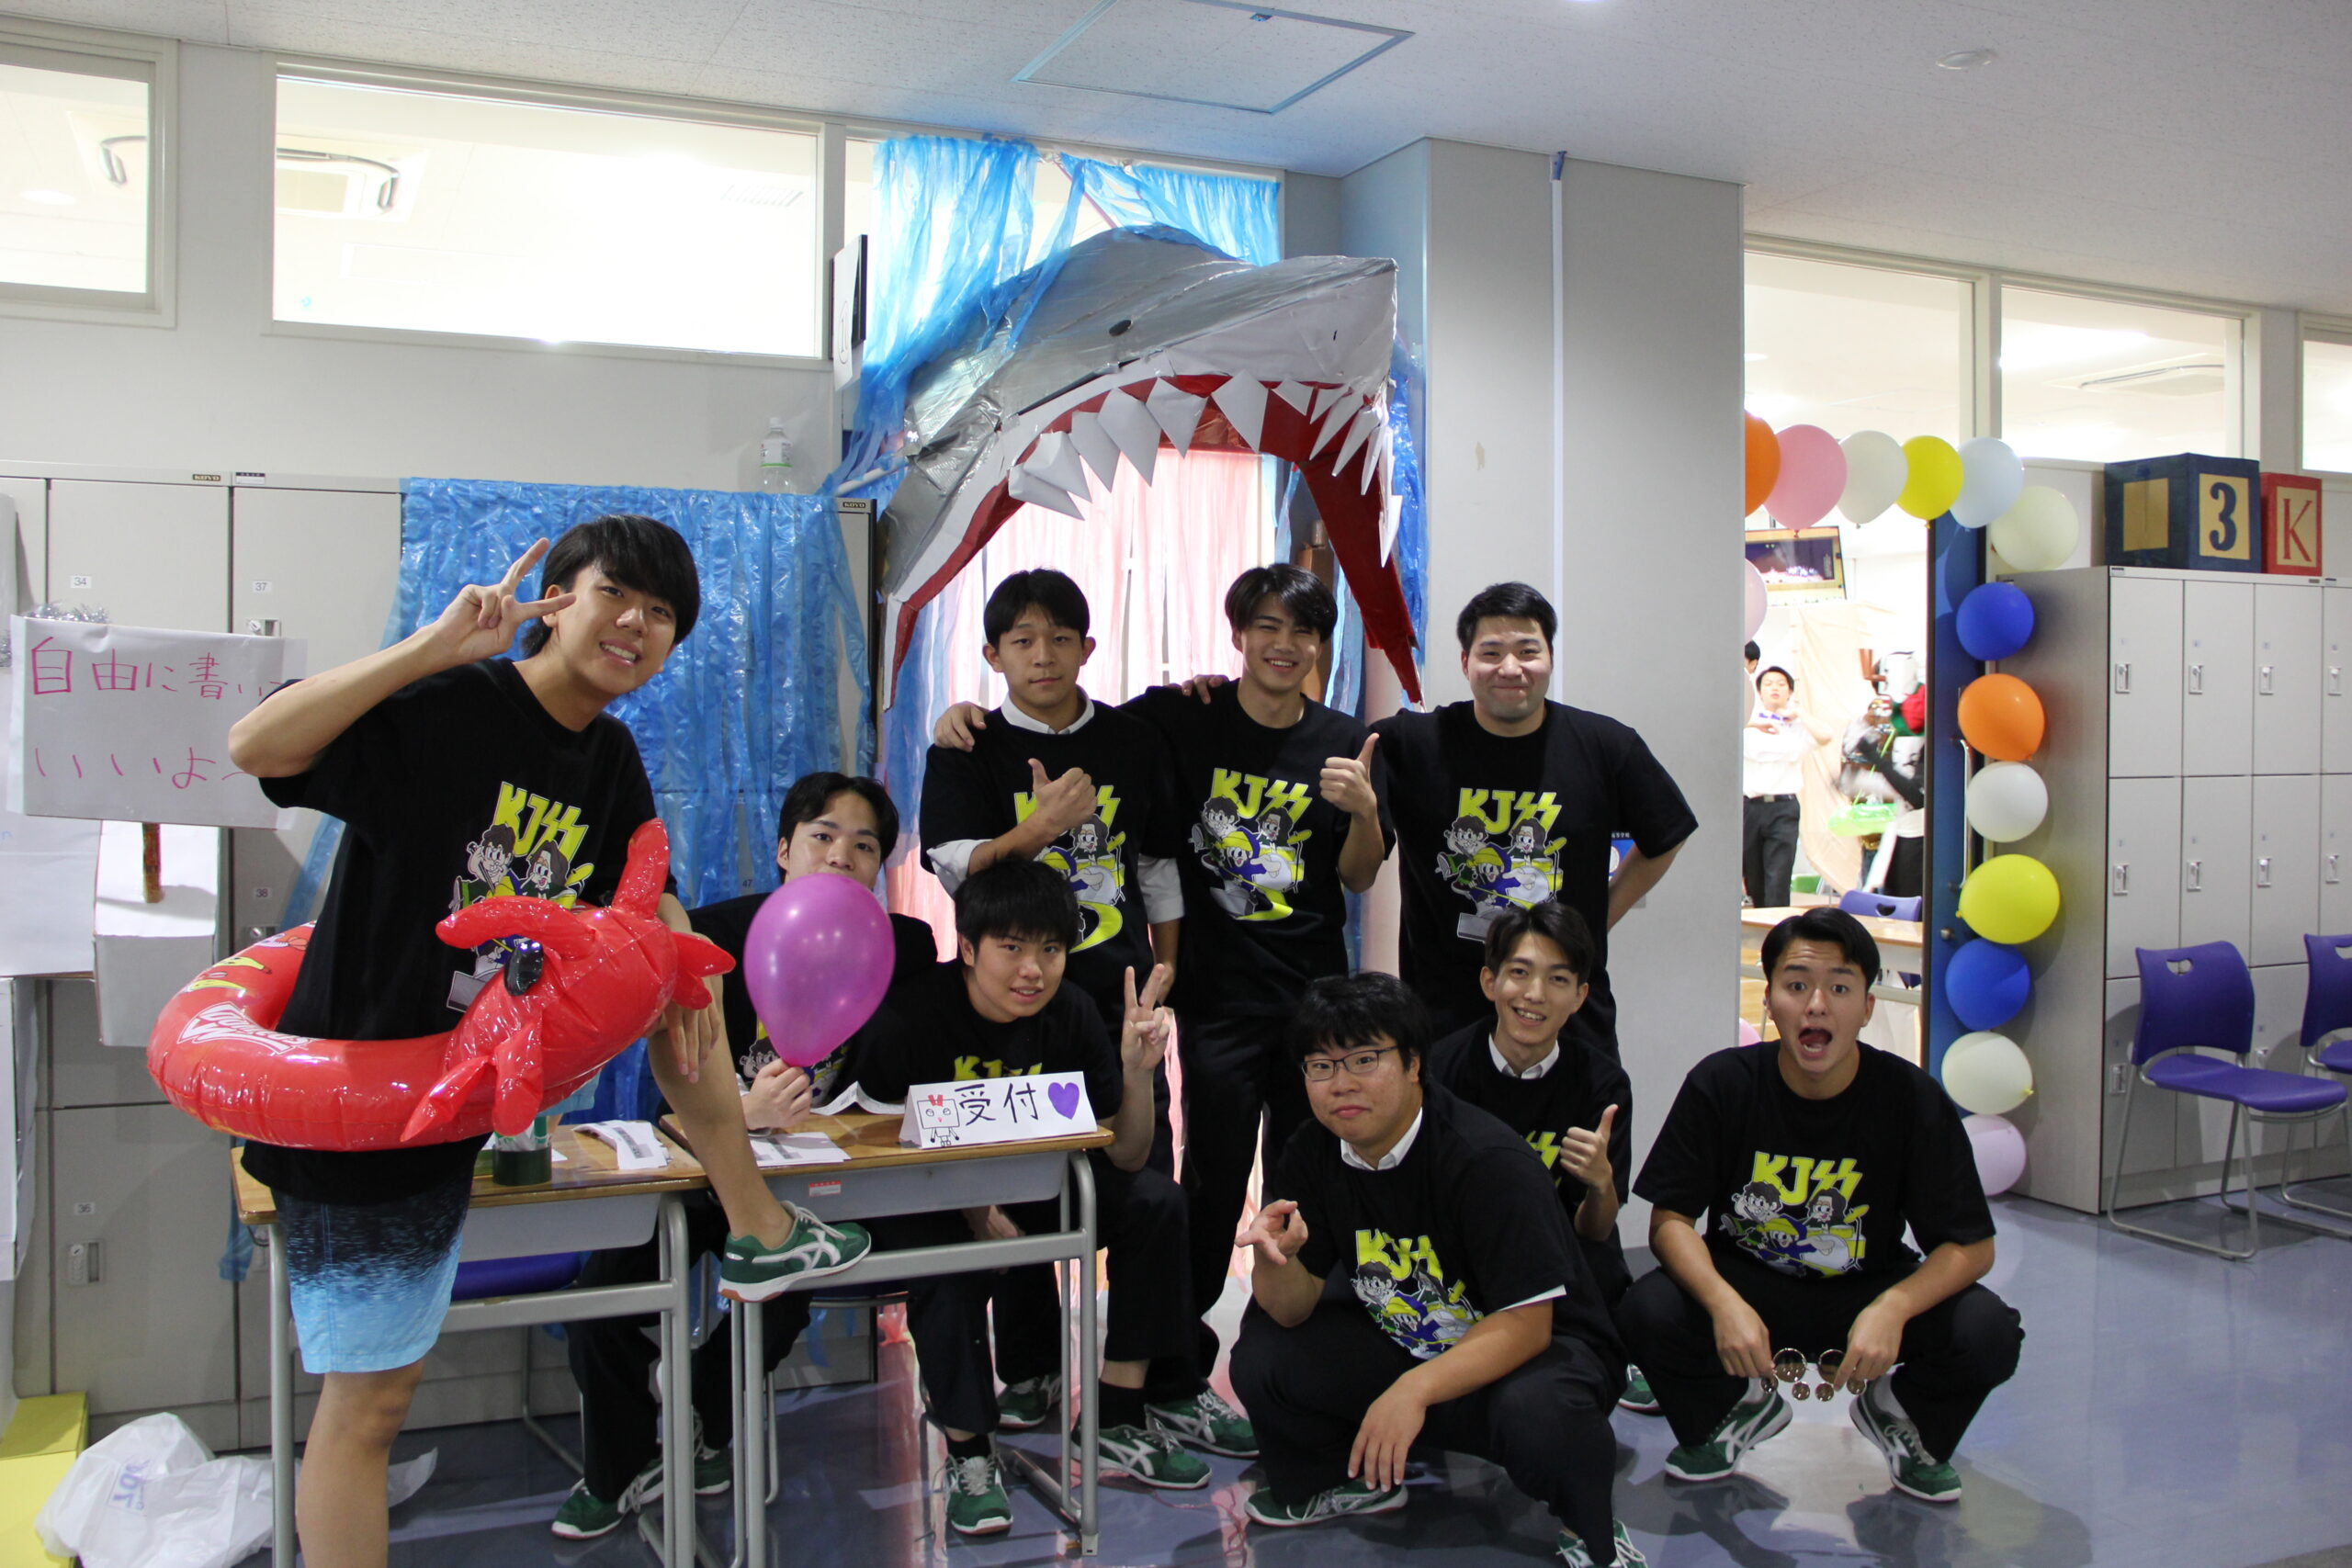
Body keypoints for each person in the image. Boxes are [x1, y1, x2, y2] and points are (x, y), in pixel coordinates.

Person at [224, 517, 868, 1568]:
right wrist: (431, 649)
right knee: (368, 1410)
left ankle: (756, 1224)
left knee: (680, 972)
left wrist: (684, 962)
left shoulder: (607, 757)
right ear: (556, 598)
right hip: (357, 1106)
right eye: (617, 594)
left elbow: (646, 884)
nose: (638, 625)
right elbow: (256, 748)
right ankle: (757, 1223)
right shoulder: (454, 706)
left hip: (456, 1103)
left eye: (662, 614)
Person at [934, 562, 1390, 1409]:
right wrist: (970, 732)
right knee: (1159, 1186)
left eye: (1301, 631)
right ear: (1238, 635)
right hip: (1119, 1002)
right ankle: (1103, 1365)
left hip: (1256, 1001)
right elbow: (961, 860)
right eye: (1265, 626)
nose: (1282, 644)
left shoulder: (1328, 739)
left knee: (1253, 1181)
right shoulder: (1165, 718)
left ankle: (1257, 1359)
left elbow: (1170, 864)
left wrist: (1163, 969)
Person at [553, 773, 937, 1539]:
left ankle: (704, 1423)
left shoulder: (906, 946)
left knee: (784, 1285)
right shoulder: (712, 938)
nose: (842, 856)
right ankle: (619, 1464)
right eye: (823, 836)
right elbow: (670, 1100)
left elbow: (908, 1086)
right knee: (603, 1296)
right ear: (785, 848)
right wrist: (742, 1113)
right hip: (710, 1167)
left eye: (864, 846)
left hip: (824, 1185)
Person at [847, 859, 1231, 1535]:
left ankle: (1116, 1414)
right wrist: (975, 1210)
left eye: (1051, 950)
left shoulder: (1072, 1011)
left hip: (1039, 1187)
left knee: (1155, 1202)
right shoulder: (911, 1016)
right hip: (934, 1197)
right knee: (947, 1262)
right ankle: (970, 1451)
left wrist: (1137, 1073)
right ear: (969, 948)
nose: (1033, 970)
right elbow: (877, 1149)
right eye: (1012, 948)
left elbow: (1126, 1154)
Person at [1230, 973, 1641, 1568]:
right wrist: (1277, 1260)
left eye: (1364, 1059)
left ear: (1414, 1063)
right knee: (1264, 1353)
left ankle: (1591, 1529)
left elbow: (1528, 1325)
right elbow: (1292, 1308)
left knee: (1541, 1415)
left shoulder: (1486, 1159)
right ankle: (1346, 1477)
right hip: (1410, 1338)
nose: (1341, 1083)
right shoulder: (1312, 1149)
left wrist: (1412, 1391)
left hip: (1530, 1350)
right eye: (1320, 1066)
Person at [1618, 908, 2023, 1504]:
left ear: (1867, 1006)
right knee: (1645, 1310)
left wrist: (1894, 1307)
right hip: (1746, 1282)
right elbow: (1670, 1220)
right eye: (1797, 984)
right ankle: (1734, 1409)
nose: (1816, 1005)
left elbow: (1971, 1246)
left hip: (1865, 1288)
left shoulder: (1909, 1097)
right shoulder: (1723, 1082)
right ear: (1769, 998)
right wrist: (1723, 1303)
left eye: (1839, 987)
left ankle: (1900, 1414)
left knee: (1987, 1332)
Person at [919, 569, 1185, 1156]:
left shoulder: (1136, 741)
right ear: (993, 656)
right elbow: (958, 870)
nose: (1043, 656)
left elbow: (1157, 870)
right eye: (1023, 641)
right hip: (1009, 1000)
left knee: (1139, 1173)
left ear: (1086, 649)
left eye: (1061, 638)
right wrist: (1042, 827)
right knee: (1015, 1175)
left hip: (1121, 994)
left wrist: (1164, 973)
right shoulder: (967, 747)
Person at [1374, 581, 1697, 1048]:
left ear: (1550, 658)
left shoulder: (1605, 746)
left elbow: (1667, 834)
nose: (1511, 668)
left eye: (1528, 651)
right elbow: (1323, 751)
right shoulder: (1412, 744)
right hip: (1446, 1015)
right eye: (1491, 653)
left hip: (1568, 1017)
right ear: (1465, 663)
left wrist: (1595, 920)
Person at [1425, 900, 1657, 1413]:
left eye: (1557, 979)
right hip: (1463, 1258)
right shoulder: (1439, 1072)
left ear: (1579, 996)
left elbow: (1595, 1230)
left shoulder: (1603, 1084)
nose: (1534, 994)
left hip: (1562, 1260)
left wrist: (1601, 1184)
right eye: (1519, 973)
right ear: (1490, 982)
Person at [1741, 665, 1831, 908]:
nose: (1775, 688)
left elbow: (1825, 736)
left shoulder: (1797, 725)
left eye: (1781, 684)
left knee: (1778, 875)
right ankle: (1761, 921)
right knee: (1753, 876)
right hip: (1751, 807)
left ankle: (1777, 924)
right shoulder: (1749, 722)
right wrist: (1754, 724)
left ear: (1790, 691)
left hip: (1783, 807)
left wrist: (1799, 712)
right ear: (1759, 691)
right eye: (1769, 683)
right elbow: (1725, 731)